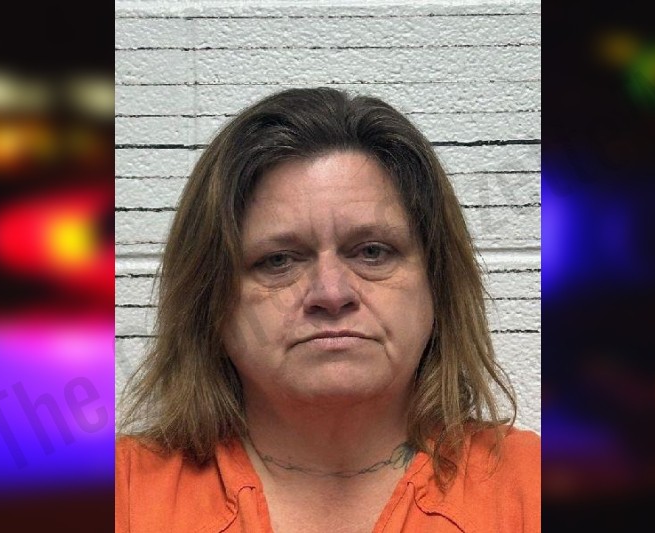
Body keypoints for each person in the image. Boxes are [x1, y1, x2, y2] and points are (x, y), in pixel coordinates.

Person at [115, 87, 539, 532]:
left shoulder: (534, 489)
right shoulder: (119, 496)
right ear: (209, 298)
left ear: (437, 283)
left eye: (372, 252)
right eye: (278, 260)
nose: (332, 293)